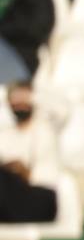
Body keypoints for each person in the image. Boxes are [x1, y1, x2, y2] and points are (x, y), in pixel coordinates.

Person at [0, 81, 59, 223]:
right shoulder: (5, 135)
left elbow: (62, 111)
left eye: (24, 97)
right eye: (15, 98)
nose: (20, 102)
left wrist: (34, 95)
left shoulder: (46, 128)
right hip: (11, 195)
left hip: (40, 195)